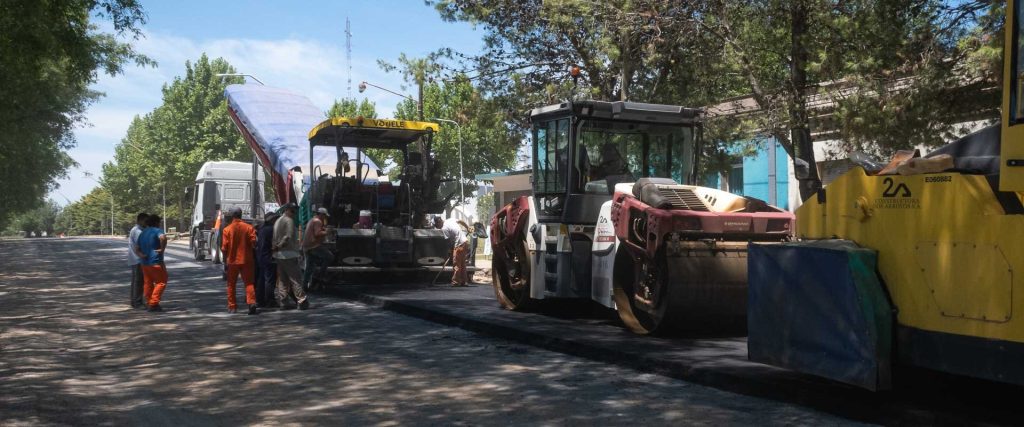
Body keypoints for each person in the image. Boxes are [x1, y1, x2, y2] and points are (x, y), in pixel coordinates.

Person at [221, 207, 259, 315]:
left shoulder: (227, 230)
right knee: (249, 283)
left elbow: (224, 248)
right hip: (247, 260)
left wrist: (225, 261)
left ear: (232, 216)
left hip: (232, 261)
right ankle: (251, 303)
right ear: (241, 215)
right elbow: (254, 243)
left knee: (231, 284)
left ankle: (232, 307)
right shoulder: (249, 228)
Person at [273, 203, 309, 310]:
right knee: (296, 279)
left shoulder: (278, 221)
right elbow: (287, 237)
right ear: (288, 210)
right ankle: (301, 300)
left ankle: (283, 302)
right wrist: (280, 246)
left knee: (283, 280)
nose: (294, 213)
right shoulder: (288, 221)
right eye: (293, 211)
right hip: (289, 254)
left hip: (279, 255)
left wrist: (276, 248)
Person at [134, 214, 168, 312]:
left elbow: (136, 248)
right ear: (157, 222)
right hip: (156, 261)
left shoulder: (143, 233)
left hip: (144, 263)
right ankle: (154, 303)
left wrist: (141, 255)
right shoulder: (157, 230)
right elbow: (163, 238)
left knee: (148, 283)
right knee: (161, 282)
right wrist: (162, 249)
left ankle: (149, 302)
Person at [301, 207, 332, 290]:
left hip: (306, 246)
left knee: (309, 267)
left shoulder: (312, 220)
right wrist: (327, 232)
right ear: (321, 214)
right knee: (329, 256)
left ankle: (304, 286)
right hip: (313, 246)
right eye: (324, 216)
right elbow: (317, 233)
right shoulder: (318, 221)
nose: (325, 218)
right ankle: (319, 277)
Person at [255, 212, 280, 308]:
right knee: (270, 280)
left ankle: (260, 300)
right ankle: (270, 300)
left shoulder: (262, 229)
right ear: (272, 220)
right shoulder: (271, 230)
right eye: (275, 219)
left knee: (261, 279)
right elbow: (274, 244)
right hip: (269, 257)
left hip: (261, 257)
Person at [441, 217, 471, 287]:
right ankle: (464, 281)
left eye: (436, 225)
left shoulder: (444, 228)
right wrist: (467, 227)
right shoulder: (450, 220)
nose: (437, 227)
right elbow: (461, 221)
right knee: (462, 264)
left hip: (459, 245)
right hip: (465, 242)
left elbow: (449, 241)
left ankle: (456, 282)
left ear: (438, 222)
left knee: (456, 264)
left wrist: (451, 251)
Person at [127, 213, 148, 308]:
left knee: (137, 281)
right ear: (140, 220)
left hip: (136, 258)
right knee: (138, 281)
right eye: (145, 221)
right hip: (138, 259)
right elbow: (139, 246)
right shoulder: (138, 231)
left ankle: (135, 301)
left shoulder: (137, 230)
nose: (146, 223)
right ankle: (137, 302)